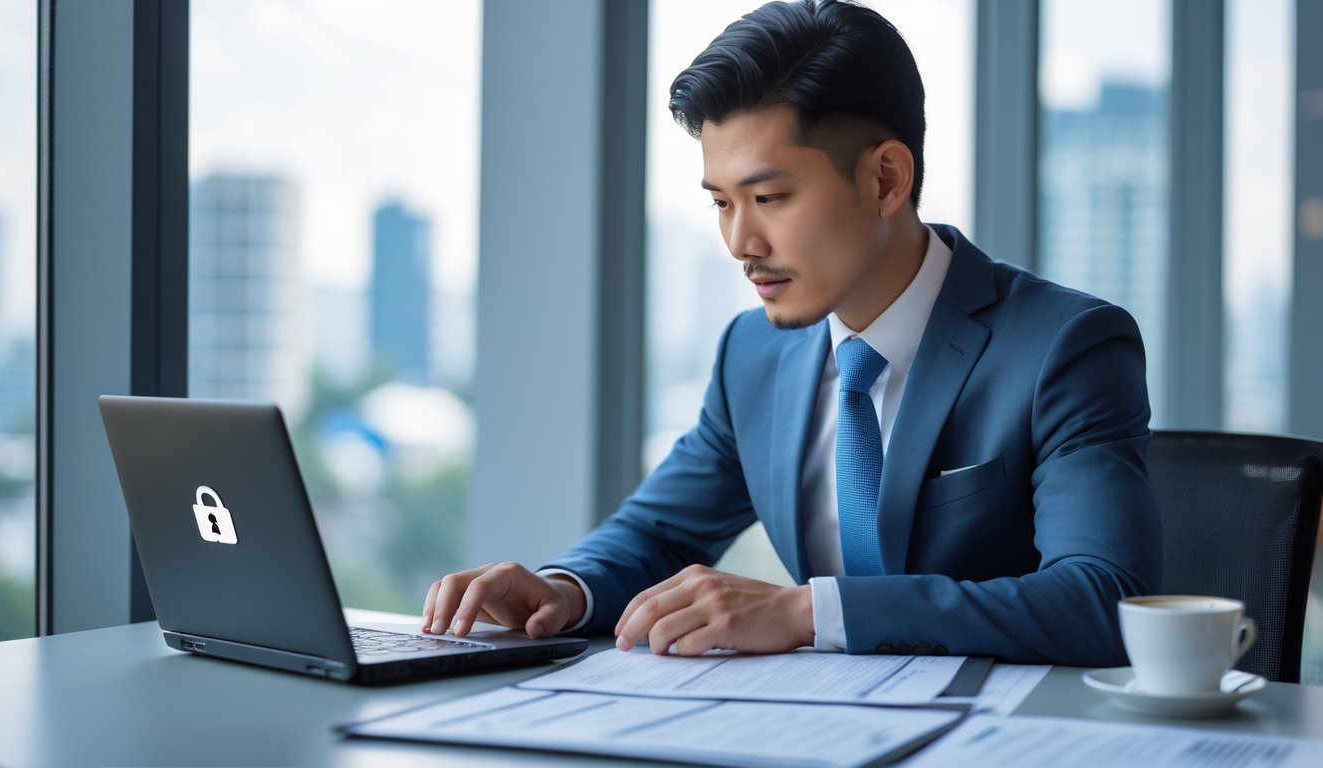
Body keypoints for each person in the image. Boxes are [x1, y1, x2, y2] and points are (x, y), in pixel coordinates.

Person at [422, 0, 1160, 666]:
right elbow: (659, 535)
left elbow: (1100, 599)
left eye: (769, 197)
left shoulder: (1064, 345)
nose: (740, 242)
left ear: (884, 180)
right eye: (720, 202)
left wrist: (807, 611)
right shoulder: (753, 353)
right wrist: (563, 588)